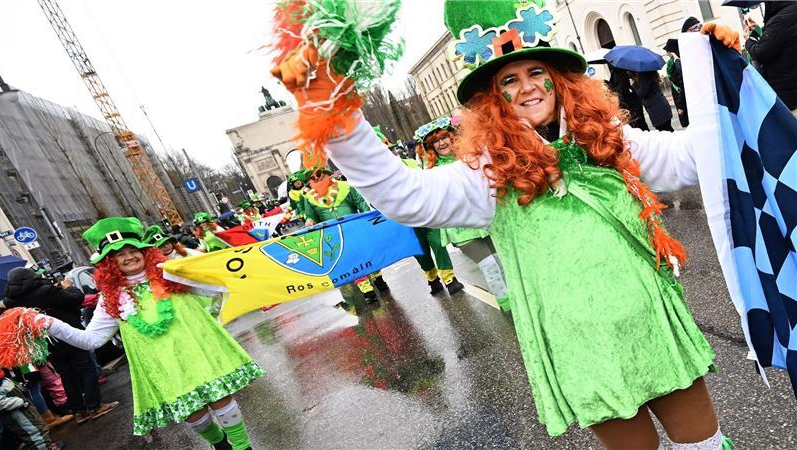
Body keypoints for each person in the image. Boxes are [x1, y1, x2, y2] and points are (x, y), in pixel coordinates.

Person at [272, 0, 741, 447]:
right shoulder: (487, 174)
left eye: (537, 72)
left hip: (651, 321)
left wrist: (714, 72)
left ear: (561, 81)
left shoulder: (609, 142)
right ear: (492, 101)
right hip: (583, 348)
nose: (528, 87)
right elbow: (404, 196)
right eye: (508, 81)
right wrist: (335, 115)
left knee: (704, 446)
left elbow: (691, 157)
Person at [41, 217, 263, 449]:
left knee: (220, 398)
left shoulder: (170, 273)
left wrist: (243, 270)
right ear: (109, 263)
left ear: (144, 252)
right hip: (164, 366)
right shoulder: (112, 298)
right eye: (119, 254)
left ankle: (241, 446)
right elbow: (91, 340)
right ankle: (220, 445)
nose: (128, 256)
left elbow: (215, 287)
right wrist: (51, 324)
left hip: (199, 350)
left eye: (132, 249)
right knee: (192, 411)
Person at [2, 268, 119, 425]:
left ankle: (79, 412)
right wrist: (68, 287)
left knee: (66, 376)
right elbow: (76, 299)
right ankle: (94, 406)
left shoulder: (10, 302)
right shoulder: (46, 290)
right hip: (70, 335)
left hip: (47, 342)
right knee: (87, 369)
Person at [414, 117, 508, 308]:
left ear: (451, 137)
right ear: (430, 148)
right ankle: (508, 306)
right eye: (435, 142)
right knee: (489, 265)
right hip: (461, 228)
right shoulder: (432, 173)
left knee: (502, 263)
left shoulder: (470, 158)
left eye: (443, 138)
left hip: (486, 219)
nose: (441, 144)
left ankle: (519, 302)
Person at [374, 124, 464, 296]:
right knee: (420, 252)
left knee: (438, 243)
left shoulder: (411, 163)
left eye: (389, 150)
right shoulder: (376, 178)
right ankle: (432, 278)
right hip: (405, 222)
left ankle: (449, 278)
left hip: (426, 214)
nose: (389, 155)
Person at [302, 168, 390, 303]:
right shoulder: (309, 199)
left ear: (327, 174)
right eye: (312, 178)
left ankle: (377, 278)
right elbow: (310, 215)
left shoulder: (345, 187)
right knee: (352, 261)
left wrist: (367, 218)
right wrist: (309, 221)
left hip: (355, 229)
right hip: (335, 235)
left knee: (367, 255)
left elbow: (360, 202)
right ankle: (367, 290)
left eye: (319, 175)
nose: (317, 179)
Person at [743, 1, 797, 113]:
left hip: (787, 97)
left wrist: (749, 40)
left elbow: (760, 53)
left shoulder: (780, 19)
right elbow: (782, 41)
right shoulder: (790, 12)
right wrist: (761, 31)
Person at [0, 372, 57, 450]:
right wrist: (20, 402)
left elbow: (14, 388)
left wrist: (23, 386)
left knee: (39, 427)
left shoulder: (3, 379)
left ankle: (48, 446)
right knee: (33, 433)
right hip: (17, 415)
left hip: (26, 410)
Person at [664, 38, 688, 127]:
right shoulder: (673, 63)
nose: (666, 53)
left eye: (667, 51)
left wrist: (680, 106)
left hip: (682, 100)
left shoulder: (677, 63)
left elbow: (683, 86)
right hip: (680, 98)